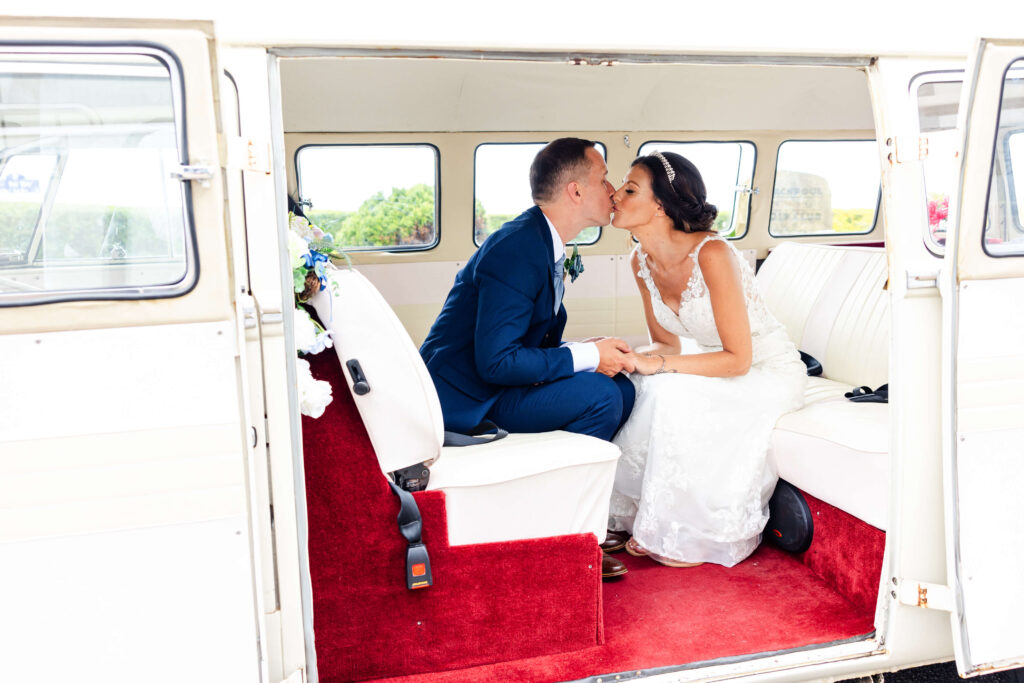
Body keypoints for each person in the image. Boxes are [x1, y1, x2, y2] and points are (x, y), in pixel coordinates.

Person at [419, 138, 637, 579]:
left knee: (620, 386)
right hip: (468, 397)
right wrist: (585, 356)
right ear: (575, 191)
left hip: (493, 384)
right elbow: (497, 362)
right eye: (603, 178)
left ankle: (570, 518)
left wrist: (586, 351)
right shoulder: (518, 248)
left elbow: (521, 341)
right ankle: (567, 538)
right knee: (601, 395)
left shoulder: (542, 241)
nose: (613, 189)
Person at [605, 151, 806, 568]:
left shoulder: (712, 253)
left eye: (629, 189)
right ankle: (637, 512)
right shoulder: (639, 259)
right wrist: (628, 355)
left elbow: (737, 361)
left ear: (660, 205)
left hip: (766, 369)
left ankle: (682, 528)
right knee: (637, 384)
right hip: (719, 360)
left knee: (668, 393)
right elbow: (668, 347)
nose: (614, 196)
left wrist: (657, 366)